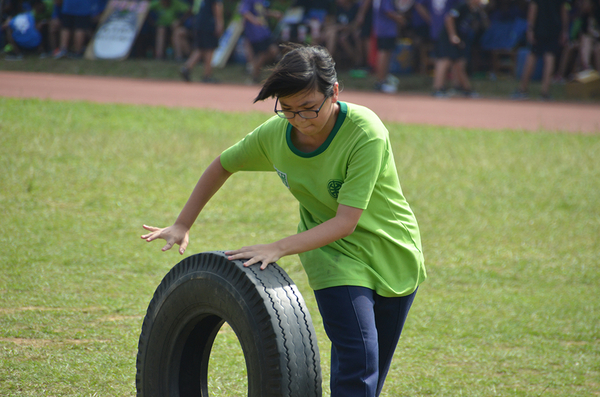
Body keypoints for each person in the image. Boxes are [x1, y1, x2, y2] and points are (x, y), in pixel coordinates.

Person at [141, 44, 426, 397]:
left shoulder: (364, 132)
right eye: (287, 109)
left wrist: (278, 248)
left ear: (334, 92)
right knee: (358, 358)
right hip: (333, 256)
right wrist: (183, 223)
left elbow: (346, 221)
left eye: (309, 108)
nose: (300, 120)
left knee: (370, 372)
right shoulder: (276, 134)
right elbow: (223, 164)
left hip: (392, 249)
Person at [512, 0, 570, 100]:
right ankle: (545, 92)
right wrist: (564, 30)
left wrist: (530, 29)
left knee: (532, 56)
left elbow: (533, 9)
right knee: (550, 57)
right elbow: (563, 10)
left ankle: (522, 89)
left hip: (539, 28)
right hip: (554, 28)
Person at [431, 0, 488, 97]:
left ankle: (466, 89)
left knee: (460, 63)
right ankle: (438, 88)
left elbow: (485, 25)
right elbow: (449, 18)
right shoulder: (462, 6)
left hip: (461, 38)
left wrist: (482, 11)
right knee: (445, 59)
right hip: (449, 36)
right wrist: (453, 35)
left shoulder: (476, 11)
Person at [180, 0, 224, 82]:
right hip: (209, 22)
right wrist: (219, 23)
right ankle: (207, 75)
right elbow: (217, 6)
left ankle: (187, 68)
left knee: (201, 48)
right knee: (209, 49)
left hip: (199, 22)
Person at [240, 0, 281, 83]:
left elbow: (261, 11)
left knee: (272, 51)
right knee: (263, 53)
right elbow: (244, 12)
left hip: (264, 31)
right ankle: (255, 74)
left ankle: (255, 73)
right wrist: (255, 20)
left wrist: (273, 14)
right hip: (256, 33)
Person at [373, 0, 407, 92]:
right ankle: (381, 80)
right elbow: (388, 11)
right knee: (384, 53)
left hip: (382, 29)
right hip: (386, 30)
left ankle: (383, 79)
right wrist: (399, 19)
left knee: (385, 53)